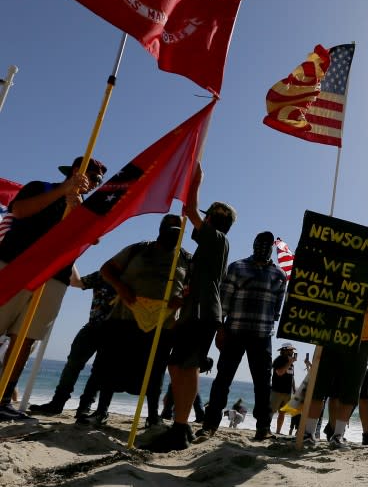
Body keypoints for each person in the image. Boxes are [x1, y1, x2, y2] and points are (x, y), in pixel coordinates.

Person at [0, 156, 106, 418]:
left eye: (98, 181)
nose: (94, 184)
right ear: (75, 172)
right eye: (93, 178)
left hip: (54, 278)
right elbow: (20, 211)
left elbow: (93, 238)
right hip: (15, 265)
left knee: (26, 338)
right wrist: (64, 190)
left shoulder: (86, 207)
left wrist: (79, 211)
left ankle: (3, 397)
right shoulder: (40, 187)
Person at [144, 163, 235, 452]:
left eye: (209, 215)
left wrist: (196, 181)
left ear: (215, 220)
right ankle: (180, 425)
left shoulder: (218, 239)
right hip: (194, 311)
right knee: (177, 364)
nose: (203, 218)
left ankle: (180, 428)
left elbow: (190, 211)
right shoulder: (209, 246)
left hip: (203, 313)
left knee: (187, 365)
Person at [83, 214, 191, 427]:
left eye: (178, 230)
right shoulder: (139, 249)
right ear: (160, 229)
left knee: (155, 370)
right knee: (111, 365)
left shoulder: (186, 258)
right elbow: (107, 269)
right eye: (169, 228)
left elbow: (194, 287)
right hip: (125, 316)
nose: (173, 233)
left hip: (163, 324)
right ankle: (101, 411)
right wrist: (121, 287)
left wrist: (181, 300)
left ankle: (152, 417)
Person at [195, 231, 286, 442]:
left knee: (263, 384)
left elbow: (276, 310)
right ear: (253, 244)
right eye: (259, 243)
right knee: (222, 380)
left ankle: (263, 428)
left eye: (266, 244)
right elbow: (224, 303)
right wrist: (220, 329)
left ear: (271, 247)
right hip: (234, 331)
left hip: (262, 335)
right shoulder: (237, 267)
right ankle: (209, 425)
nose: (262, 247)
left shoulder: (279, 275)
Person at [303, 245, 368, 449]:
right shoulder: (344, 271)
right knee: (319, 388)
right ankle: (308, 432)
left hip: (361, 340)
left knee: (351, 391)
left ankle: (338, 435)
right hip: (335, 335)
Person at [29, 269, 116, 419]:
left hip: (116, 331)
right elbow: (76, 282)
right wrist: (73, 261)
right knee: (73, 364)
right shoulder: (105, 273)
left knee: (99, 372)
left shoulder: (134, 277)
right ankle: (57, 403)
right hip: (93, 326)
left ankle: (84, 408)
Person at [271, 343, 296, 435]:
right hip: (277, 390)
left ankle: (278, 432)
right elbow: (280, 372)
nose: (292, 352)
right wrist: (290, 362)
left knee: (282, 413)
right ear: (285, 350)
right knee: (271, 411)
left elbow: (291, 376)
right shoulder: (279, 360)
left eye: (292, 350)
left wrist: (294, 389)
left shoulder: (290, 362)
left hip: (287, 392)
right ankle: (266, 429)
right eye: (290, 350)